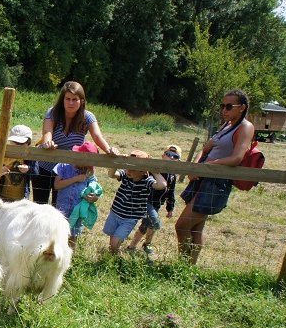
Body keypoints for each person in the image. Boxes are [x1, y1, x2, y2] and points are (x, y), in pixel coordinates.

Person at [175, 90, 254, 264]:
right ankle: (188, 267)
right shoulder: (227, 125)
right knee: (195, 228)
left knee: (182, 226)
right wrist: (195, 168)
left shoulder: (245, 127)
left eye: (228, 106)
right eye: (222, 106)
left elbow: (236, 158)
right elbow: (206, 149)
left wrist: (207, 166)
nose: (224, 110)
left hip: (216, 183)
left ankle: (184, 266)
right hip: (203, 179)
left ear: (242, 108)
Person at [36, 81, 119, 206]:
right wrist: (48, 142)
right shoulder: (52, 112)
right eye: (67, 99)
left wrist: (109, 149)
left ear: (82, 101)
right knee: (39, 205)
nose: (70, 103)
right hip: (46, 166)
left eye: (75, 99)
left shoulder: (88, 117)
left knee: (60, 207)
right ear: (62, 100)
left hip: (68, 170)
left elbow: (97, 136)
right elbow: (47, 131)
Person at [103, 151, 167, 255]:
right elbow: (111, 174)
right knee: (112, 243)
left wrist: (155, 171)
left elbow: (162, 185)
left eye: (133, 167)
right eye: (128, 166)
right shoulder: (125, 175)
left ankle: (116, 257)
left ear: (143, 171)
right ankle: (114, 258)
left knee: (114, 243)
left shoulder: (147, 181)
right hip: (115, 213)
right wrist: (118, 162)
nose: (129, 170)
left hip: (129, 218)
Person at [126, 144, 180, 256]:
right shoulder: (154, 170)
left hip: (157, 204)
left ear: (178, 160)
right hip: (146, 200)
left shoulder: (172, 176)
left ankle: (144, 244)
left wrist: (170, 207)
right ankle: (133, 246)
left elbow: (171, 192)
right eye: (169, 154)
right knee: (153, 223)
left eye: (175, 156)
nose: (171, 158)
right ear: (163, 155)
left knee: (148, 225)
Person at [53, 141, 100, 247]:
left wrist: (94, 197)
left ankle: (70, 255)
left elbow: (94, 188)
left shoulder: (89, 171)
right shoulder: (64, 165)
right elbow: (57, 185)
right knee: (59, 233)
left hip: (77, 209)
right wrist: (76, 179)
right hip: (62, 207)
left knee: (73, 235)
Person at [0, 125, 32, 202]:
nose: (17, 146)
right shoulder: (5, 153)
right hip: (2, 196)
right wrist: (0, 169)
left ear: (28, 143)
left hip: (21, 198)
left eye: (20, 143)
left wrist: (29, 169)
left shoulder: (30, 156)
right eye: (15, 142)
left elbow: (36, 173)